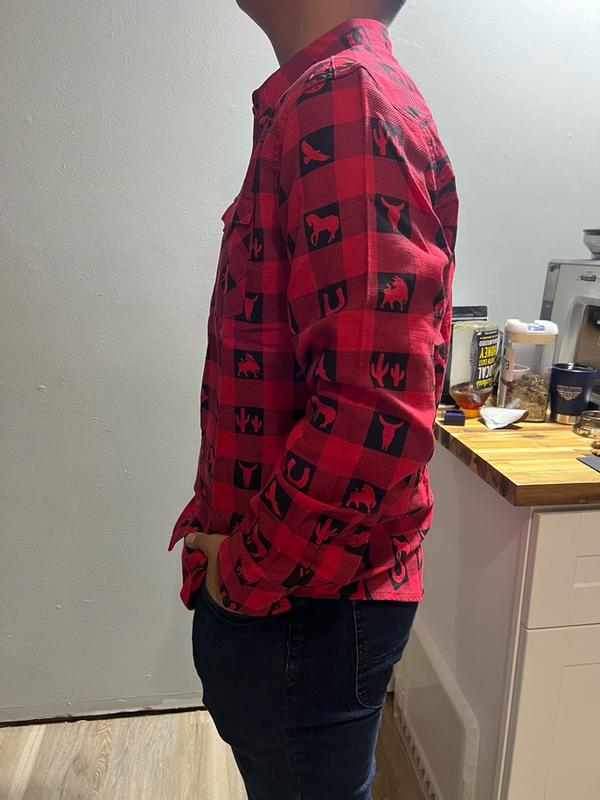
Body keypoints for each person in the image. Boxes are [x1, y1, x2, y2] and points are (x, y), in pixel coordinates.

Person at [167, 1, 458, 797]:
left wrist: (242, 577)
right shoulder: (332, 92)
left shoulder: (345, 94)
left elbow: (376, 411)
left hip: (302, 605)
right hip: (305, 600)